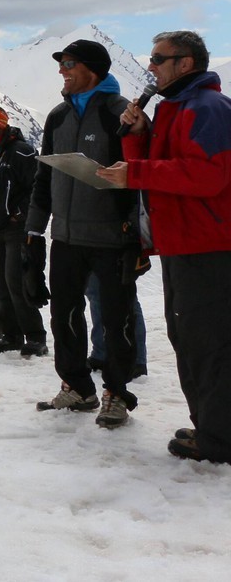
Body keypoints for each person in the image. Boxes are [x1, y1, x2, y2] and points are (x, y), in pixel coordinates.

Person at [98, 31, 231, 463]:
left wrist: (135, 173)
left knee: (210, 343)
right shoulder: (176, 107)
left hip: (209, 247)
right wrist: (139, 134)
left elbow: (207, 176)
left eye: (159, 58)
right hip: (185, 243)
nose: (150, 66)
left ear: (185, 63)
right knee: (190, 339)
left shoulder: (207, 108)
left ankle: (219, 439)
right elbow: (161, 168)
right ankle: (211, 426)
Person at [27, 39, 141, 428]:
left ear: (92, 69)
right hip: (66, 237)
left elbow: (139, 176)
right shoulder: (58, 117)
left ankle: (117, 393)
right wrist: (34, 231)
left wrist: (135, 235)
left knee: (116, 320)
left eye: (69, 63)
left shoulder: (120, 114)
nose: (61, 70)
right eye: (61, 63)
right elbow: (44, 177)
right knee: (64, 316)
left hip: (112, 238)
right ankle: (77, 387)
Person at [0, 107, 46, 357]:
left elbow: (37, 186)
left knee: (16, 283)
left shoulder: (21, 151)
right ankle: (11, 335)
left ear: (3, 124)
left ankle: (36, 336)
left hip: (15, 228)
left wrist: (20, 213)